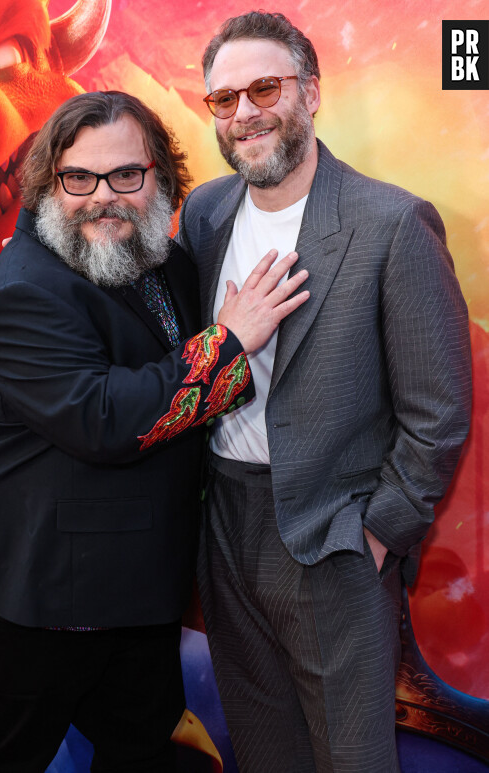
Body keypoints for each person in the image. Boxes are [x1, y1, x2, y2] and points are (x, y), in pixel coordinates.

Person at [0, 90, 310, 773]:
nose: (101, 196)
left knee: (141, 756)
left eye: (125, 175)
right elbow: (104, 418)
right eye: (77, 178)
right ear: (48, 185)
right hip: (37, 598)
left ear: (162, 179)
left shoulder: (165, 262)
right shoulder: (20, 290)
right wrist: (228, 343)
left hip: (137, 590)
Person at [176, 12, 472, 773]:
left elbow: (437, 415)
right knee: (266, 751)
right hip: (226, 530)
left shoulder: (393, 224)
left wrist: (376, 535)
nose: (244, 113)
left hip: (336, 536)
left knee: (354, 760)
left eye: (264, 88)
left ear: (310, 92)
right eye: (223, 99)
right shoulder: (205, 214)